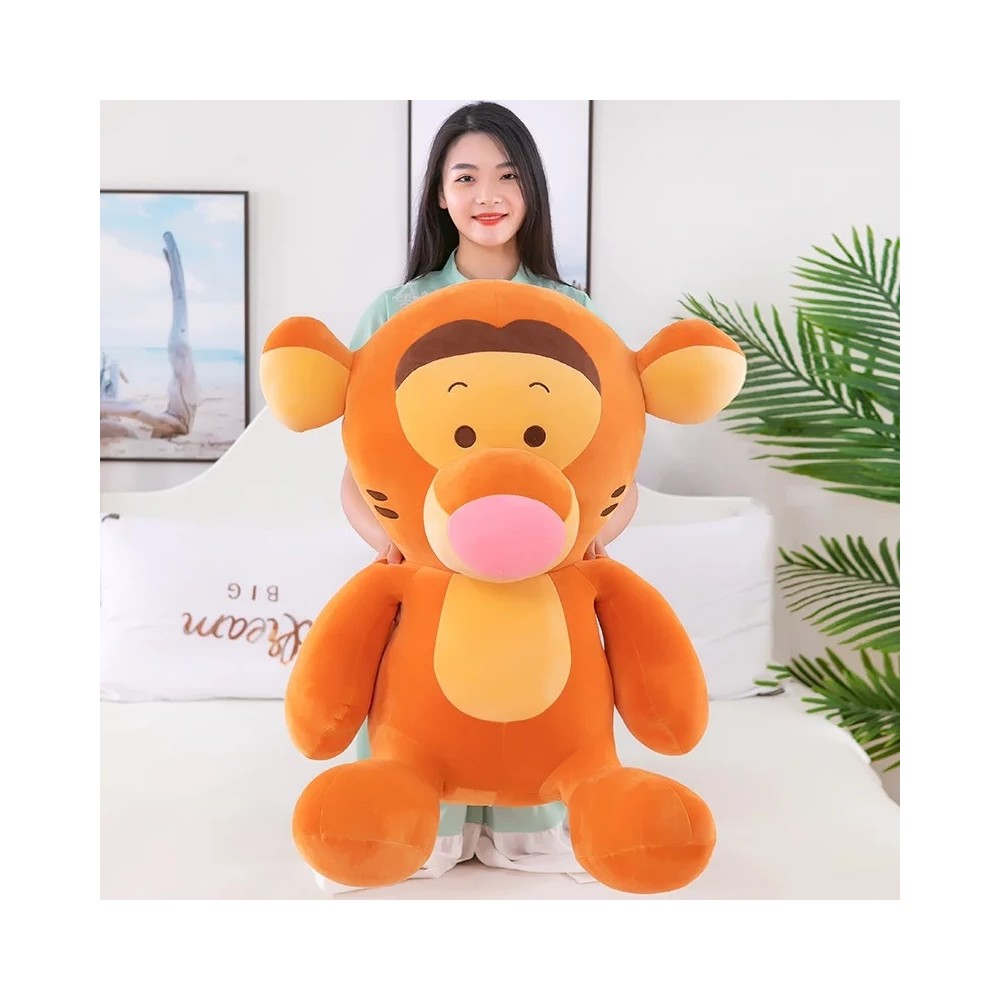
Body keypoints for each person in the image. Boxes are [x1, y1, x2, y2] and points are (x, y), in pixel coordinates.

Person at [336, 101, 638, 888]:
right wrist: (392, 544)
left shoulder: (574, 311)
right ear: (440, 195)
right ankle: (418, 822)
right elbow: (359, 469)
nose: (487, 195)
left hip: (539, 570)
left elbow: (613, 465)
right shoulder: (395, 312)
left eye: (506, 176)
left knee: (534, 697)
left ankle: (526, 826)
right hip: (432, 570)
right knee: (420, 698)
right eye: (465, 177)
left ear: (531, 189)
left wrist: (592, 537)